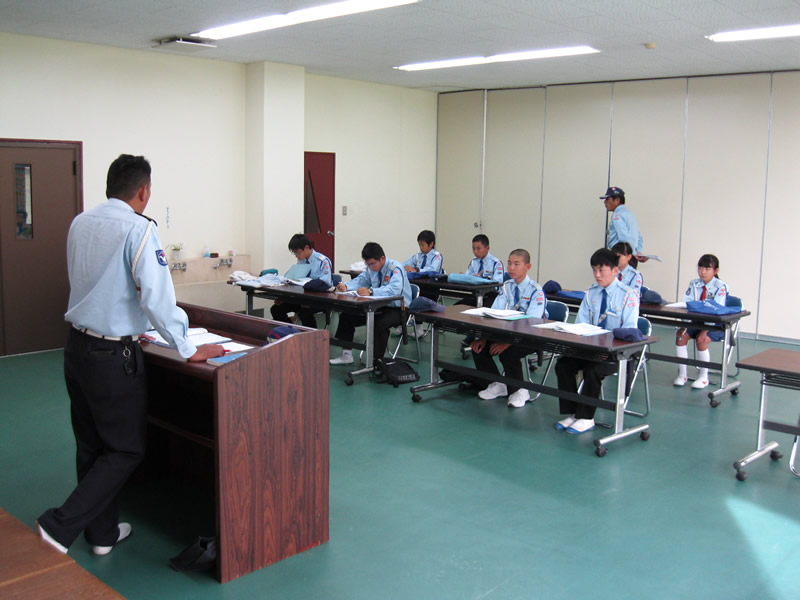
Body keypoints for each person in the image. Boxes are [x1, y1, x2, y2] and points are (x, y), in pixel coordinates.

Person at [36, 154, 225, 556]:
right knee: (125, 449)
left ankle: (102, 534)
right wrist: (187, 346)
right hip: (111, 355)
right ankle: (58, 525)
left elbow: (96, 283)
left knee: (91, 445)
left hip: (77, 347)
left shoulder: (80, 223)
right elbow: (157, 297)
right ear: (144, 190)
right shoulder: (139, 229)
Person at [554, 248, 639, 434]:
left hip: (616, 353)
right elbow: (581, 323)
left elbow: (629, 330)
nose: (597, 275)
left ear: (615, 270)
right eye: (594, 270)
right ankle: (573, 413)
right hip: (590, 348)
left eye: (602, 270)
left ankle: (586, 417)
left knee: (592, 370)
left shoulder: (628, 295)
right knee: (563, 365)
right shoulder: (591, 293)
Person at [472, 249, 546, 408]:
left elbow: (532, 323)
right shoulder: (507, 286)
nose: (511, 268)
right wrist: (484, 337)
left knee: (508, 353)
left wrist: (508, 343)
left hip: (530, 336)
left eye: (516, 264)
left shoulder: (536, 291)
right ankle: (498, 383)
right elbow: (494, 313)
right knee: (478, 347)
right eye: (509, 263)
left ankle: (520, 390)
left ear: (527, 266)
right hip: (508, 332)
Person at [329, 242, 411, 366]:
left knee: (380, 323)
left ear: (382, 258)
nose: (371, 267)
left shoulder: (395, 269)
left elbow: (394, 291)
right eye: (368, 264)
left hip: (398, 309)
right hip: (377, 306)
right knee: (347, 316)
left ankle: (376, 361)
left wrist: (372, 291)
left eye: (373, 264)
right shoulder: (371, 268)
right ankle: (346, 355)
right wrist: (346, 286)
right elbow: (361, 280)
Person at [673, 254, 729, 389]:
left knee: (702, 339)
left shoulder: (721, 287)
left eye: (707, 269)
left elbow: (716, 310)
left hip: (716, 323)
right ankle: (682, 375)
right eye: (700, 268)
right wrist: (684, 324)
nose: (702, 272)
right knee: (680, 336)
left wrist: (706, 329)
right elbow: (687, 304)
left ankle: (704, 378)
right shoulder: (694, 283)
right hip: (696, 321)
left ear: (715, 271)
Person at [270, 233, 333, 327]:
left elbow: (325, 283)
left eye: (297, 252)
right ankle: (290, 331)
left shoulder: (322, 261)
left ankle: (312, 336)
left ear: (306, 248)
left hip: (318, 299)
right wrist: (283, 298)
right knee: (276, 309)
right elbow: (294, 279)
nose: (296, 256)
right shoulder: (301, 261)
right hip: (302, 298)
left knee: (305, 313)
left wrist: (308, 299)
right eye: (294, 253)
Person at [456, 234, 505, 307]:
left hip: (492, 296)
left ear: (487, 248)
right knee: (457, 306)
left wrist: (481, 279)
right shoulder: (474, 261)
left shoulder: (496, 263)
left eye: (478, 248)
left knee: (481, 311)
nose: (475, 251)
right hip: (476, 295)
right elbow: (468, 277)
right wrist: (463, 277)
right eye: (473, 248)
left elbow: (497, 285)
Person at [601, 186, 644, 258]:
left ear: (617, 200)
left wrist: (631, 253)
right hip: (630, 255)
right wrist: (637, 252)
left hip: (621, 255)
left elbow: (623, 236)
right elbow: (639, 236)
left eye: (607, 199)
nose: (605, 202)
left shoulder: (617, 215)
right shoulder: (630, 214)